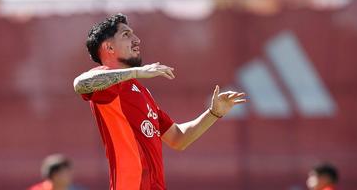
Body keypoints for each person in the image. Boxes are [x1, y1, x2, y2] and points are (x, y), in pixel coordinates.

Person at [73, 13, 247, 190]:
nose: (137, 39)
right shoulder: (109, 85)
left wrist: (213, 113)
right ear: (109, 47)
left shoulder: (140, 90)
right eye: (126, 34)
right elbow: (80, 84)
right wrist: (136, 72)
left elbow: (178, 138)